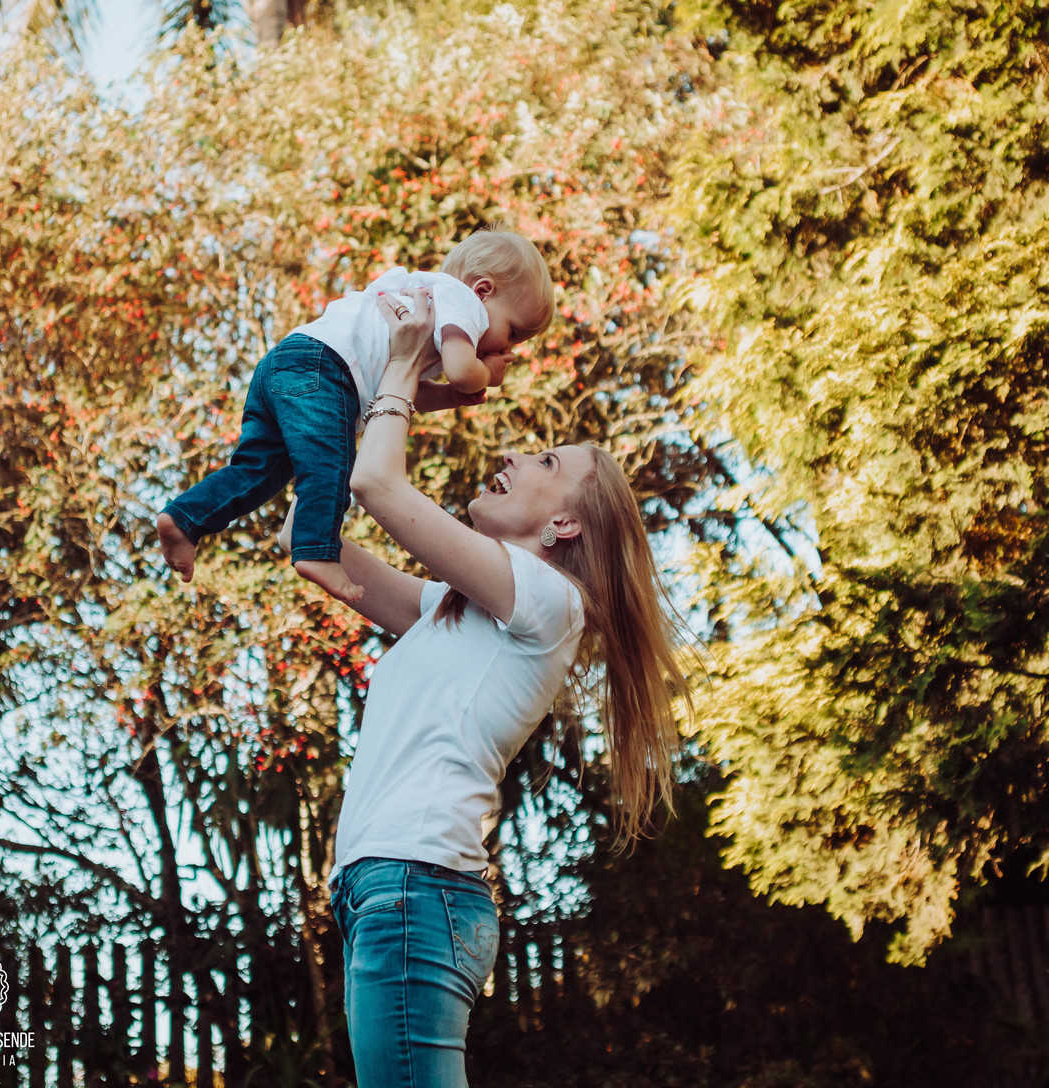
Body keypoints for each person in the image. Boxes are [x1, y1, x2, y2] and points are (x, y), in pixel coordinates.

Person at [298, 284, 691, 1088]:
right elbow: (317, 552)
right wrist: (321, 399)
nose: (514, 456)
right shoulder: (457, 607)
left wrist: (402, 371)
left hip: (416, 888)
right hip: (392, 891)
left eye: (547, 463)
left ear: (566, 527)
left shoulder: (547, 601)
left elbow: (379, 487)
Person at [157, 228, 554, 604]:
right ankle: (316, 550)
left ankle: (185, 519)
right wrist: (488, 374)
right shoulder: (463, 302)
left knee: (258, 472)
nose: (511, 347)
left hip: (289, 366)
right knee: (331, 465)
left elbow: (402, 390)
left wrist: (451, 397)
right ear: (484, 290)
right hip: (324, 370)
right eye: (514, 332)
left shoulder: (429, 301)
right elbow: (465, 371)